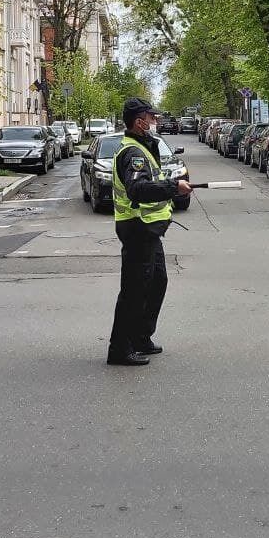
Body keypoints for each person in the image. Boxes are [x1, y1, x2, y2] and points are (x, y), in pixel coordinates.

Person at [107, 98, 192, 366]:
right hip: (137, 227)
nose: (154, 122)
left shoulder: (143, 147)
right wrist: (172, 187)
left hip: (149, 229)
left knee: (157, 282)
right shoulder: (133, 154)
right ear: (138, 121)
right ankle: (120, 348)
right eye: (150, 118)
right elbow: (138, 190)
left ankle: (141, 336)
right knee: (134, 289)